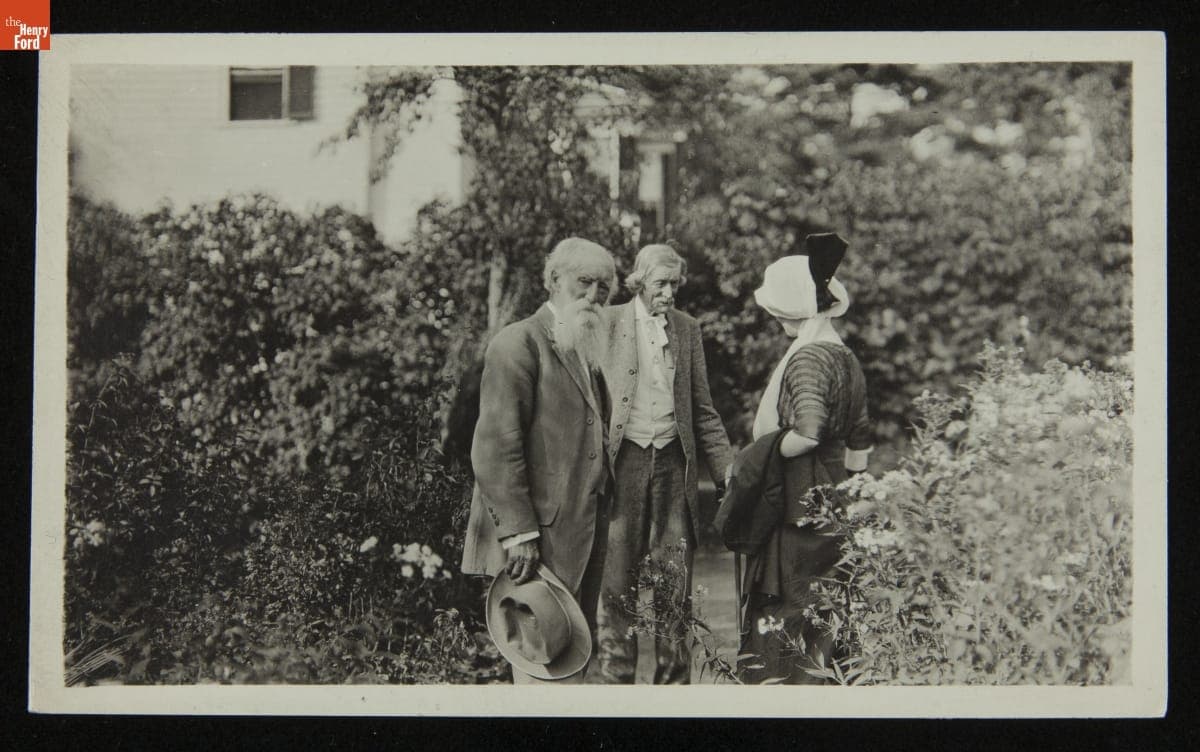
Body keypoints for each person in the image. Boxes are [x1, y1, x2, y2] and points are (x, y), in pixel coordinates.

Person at [461, 237, 618, 684]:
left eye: (604, 288)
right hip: (537, 540)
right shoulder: (517, 344)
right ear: (553, 280)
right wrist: (518, 533)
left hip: (581, 533)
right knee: (542, 668)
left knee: (571, 663)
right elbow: (494, 447)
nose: (594, 296)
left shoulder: (584, 345)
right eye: (584, 282)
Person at [735, 232, 874, 684]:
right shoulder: (844, 355)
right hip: (832, 504)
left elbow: (809, 432)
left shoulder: (808, 357)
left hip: (799, 506)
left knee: (789, 612)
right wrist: (848, 496)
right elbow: (861, 435)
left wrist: (764, 453)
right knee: (827, 611)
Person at [595, 243, 734, 684]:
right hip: (624, 464)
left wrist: (725, 472)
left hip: (675, 466)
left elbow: (703, 409)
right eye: (661, 283)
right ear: (639, 281)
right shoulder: (608, 322)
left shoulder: (687, 329)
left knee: (674, 584)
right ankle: (617, 689)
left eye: (675, 284)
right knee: (616, 584)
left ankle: (672, 693)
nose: (670, 293)